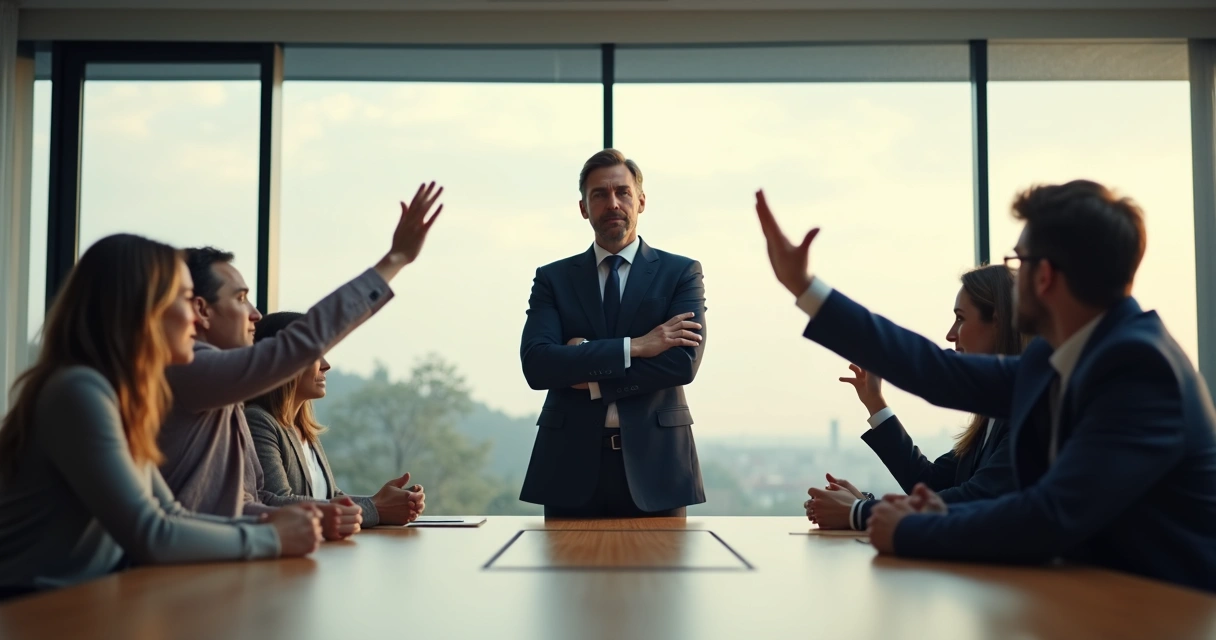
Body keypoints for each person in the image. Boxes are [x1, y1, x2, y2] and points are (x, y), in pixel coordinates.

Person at [754, 180, 1216, 593]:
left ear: (1045, 275)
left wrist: (899, 526)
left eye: (1018, 261)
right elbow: (937, 371)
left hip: (1164, 611)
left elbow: (1049, 516)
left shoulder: (1138, 366)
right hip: (1094, 599)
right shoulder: (1059, 357)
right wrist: (805, 288)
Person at [0, 234, 322, 598]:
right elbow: (150, 534)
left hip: (78, 601)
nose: (194, 315)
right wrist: (271, 537)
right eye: (185, 300)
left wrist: (269, 522)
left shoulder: (118, 396)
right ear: (144, 307)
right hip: (27, 608)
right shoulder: (79, 391)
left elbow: (170, 513)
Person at [158, 183, 440, 539]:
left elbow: (244, 505)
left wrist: (324, 515)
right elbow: (299, 343)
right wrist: (394, 260)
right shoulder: (191, 372)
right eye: (241, 298)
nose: (256, 314)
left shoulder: (226, 399)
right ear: (202, 310)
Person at [519, 149, 708, 517]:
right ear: (583, 208)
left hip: (659, 468)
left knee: (661, 576)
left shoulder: (681, 273)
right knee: (567, 576)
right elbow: (538, 365)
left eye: (622, 192)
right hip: (566, 467)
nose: (613, 203)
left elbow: (681, 364)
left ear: (641, 200)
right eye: (599, 195)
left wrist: (587, 375)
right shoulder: (553, 279)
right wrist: (636, 346)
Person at [806, 264, 1025, 530]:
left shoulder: (1025, 408)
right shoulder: (993, 414)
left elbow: (976, 498)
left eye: (960, 318)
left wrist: (859, 511)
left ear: (998, 322)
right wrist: (875, 402)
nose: (950, 334)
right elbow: (931, 484)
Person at [244, 312, 426, 526]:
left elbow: (330, 497)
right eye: (314, 355)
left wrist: (385, 502)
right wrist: (376, 508)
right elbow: (276, 504)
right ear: (284, 361)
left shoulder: (304, 431)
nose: (325, 364)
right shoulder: (258, 421)